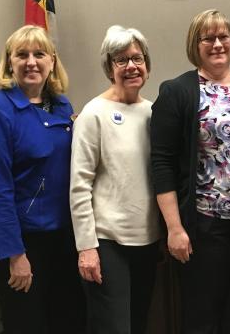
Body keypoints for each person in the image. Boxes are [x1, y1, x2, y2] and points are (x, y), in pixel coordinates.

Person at [150, 9, 230, 333]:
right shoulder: (177, 91)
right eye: (209, 38)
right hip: (205, 225)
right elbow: (162, 163)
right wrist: (174, 228)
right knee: (203, 314)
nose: (218, 44)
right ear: (196, 44)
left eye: (224, 37)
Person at [0, 25, 84, 334]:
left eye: (39, 54)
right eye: (22, 55)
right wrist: (15, 255)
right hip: (22, 244)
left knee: (69, 322)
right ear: (9, 63)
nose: (31, 62)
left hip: (63, 239)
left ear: (52, 61)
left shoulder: (62, 106)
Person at [70, 25, 160, 334]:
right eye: (121, 60)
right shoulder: (94, 113)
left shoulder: (153, 112)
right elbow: (79, 186)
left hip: (149, 240)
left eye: (137, 58)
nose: (131, 66)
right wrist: (86, 248)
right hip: (108, 244)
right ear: (110, 68)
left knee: (138, 324)